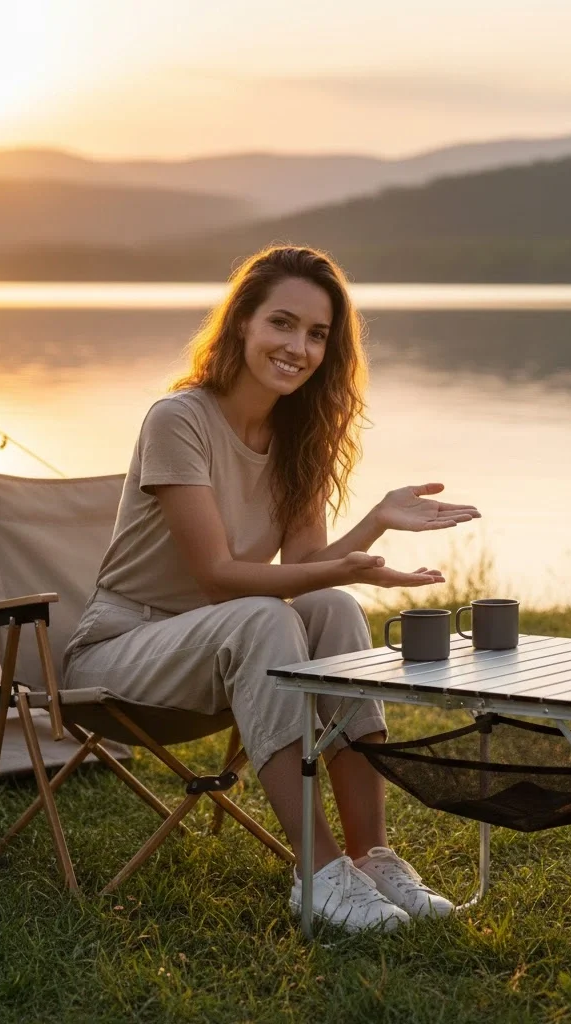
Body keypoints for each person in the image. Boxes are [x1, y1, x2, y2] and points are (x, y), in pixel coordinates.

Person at [62, 245, 481, 932]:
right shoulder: (178, 419)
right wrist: (346, 566)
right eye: (282, 323)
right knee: (265, 615)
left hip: (225, 649)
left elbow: (310, 565)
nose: (298, 348)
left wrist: (374, 523)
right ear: (242, 324)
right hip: (122, 652)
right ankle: (318, 875)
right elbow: (218, 574)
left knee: (332, 607)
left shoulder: (299, 434)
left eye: (317, 334)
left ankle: (370, 856)